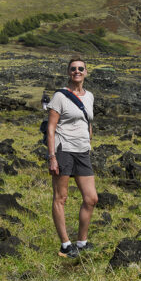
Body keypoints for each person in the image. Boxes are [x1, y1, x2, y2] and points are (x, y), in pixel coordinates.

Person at [46, 57, 98, 258]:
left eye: (80, 68)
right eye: (73, 69)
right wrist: (52, 156)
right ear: (69, 73)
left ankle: (82, 242)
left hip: (82, 152)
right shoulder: (60, 96)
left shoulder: (90, 96)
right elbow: (51, 128)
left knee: (91, 198)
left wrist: (88, 141)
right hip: (63, 150)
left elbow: (89, 121)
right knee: (61, 197)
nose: (77, 71)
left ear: (86, 72)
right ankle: (66, 245)